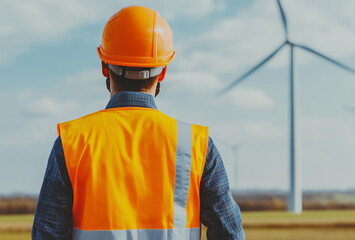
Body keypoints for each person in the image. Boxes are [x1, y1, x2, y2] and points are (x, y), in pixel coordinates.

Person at [32, 5, 245, 240]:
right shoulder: (196, 145)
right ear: (162, 72)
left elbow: (47, 234)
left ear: (104, 67)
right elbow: (230, 234)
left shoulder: (72, 142)